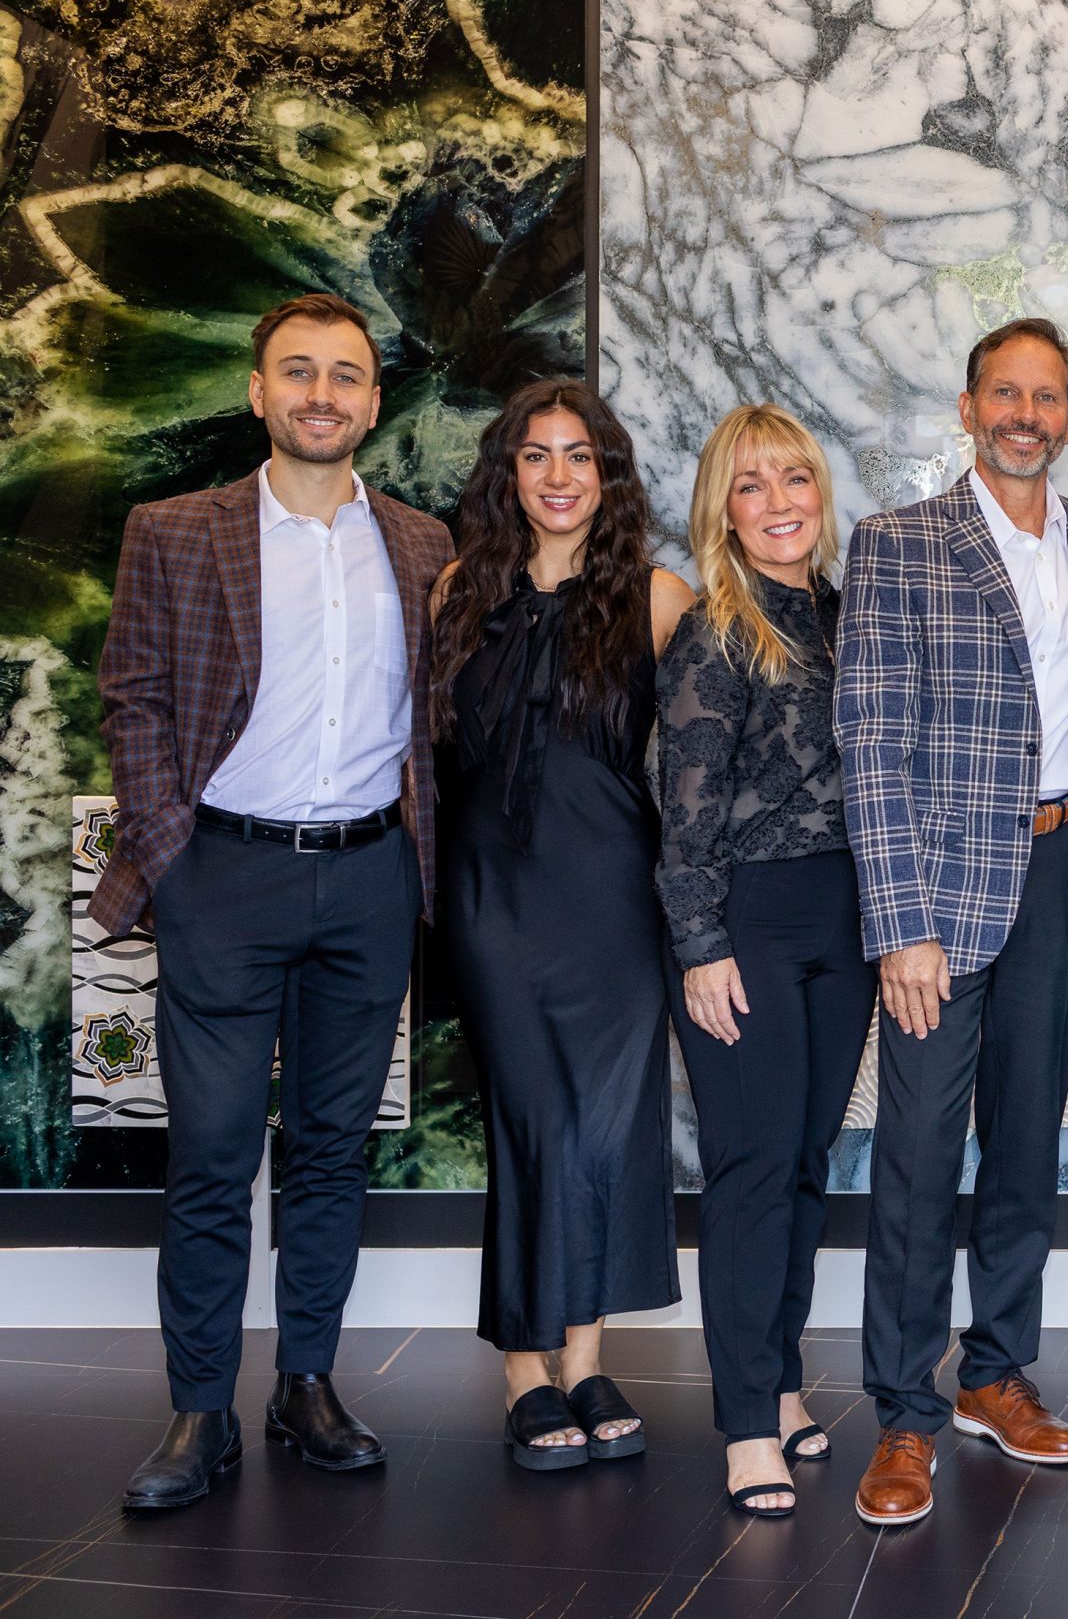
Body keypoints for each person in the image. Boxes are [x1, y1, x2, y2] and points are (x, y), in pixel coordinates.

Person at [97, 293, 454, 1510]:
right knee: (210, 1156)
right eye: (298, 371)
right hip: (223, 876)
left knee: (332, 1155)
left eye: (345, 375)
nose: (321, 394)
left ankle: (307, 1382)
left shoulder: (422, 543)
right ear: (258, 391)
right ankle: (200, 1408)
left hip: (367, 879)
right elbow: (133, 697)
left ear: (373, 400)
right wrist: (171, 857)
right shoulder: (173, 530)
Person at [837, 318, 1068, 1527]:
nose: (1026, 413)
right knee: (917, 1158)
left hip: (1061, 870)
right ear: (967, 408)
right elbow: (870, 741)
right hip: (940, 890)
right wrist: (899, 921)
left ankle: (994, 1371)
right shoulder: (897, 543)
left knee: (1026, 1144)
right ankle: (903, 1413)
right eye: (1004, 393)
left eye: (1046, 395)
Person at [428, 380, 692, 1472]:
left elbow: (702, 768)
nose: (557, 475)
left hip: (615, 899)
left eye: (579, 455)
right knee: (532, 1120)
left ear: (608, 474)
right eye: (534, 455)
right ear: (509, 473)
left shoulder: (659, 599)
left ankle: (583, 1358)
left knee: (609, 1126)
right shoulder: (458, 590)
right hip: (491, 896)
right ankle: (522, 1368)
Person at [657, 404, 868, 1519]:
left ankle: (780, 1380)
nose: (779, 502)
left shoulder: (847, 615)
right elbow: (683, 813)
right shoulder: (715, 630)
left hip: (848, 921)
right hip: (745, 921)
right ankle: (746, 1425)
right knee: (748, 1169)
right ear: (722, 509)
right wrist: (700, 946)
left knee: (803, 1164)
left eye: (795, 478)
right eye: (752, 484)